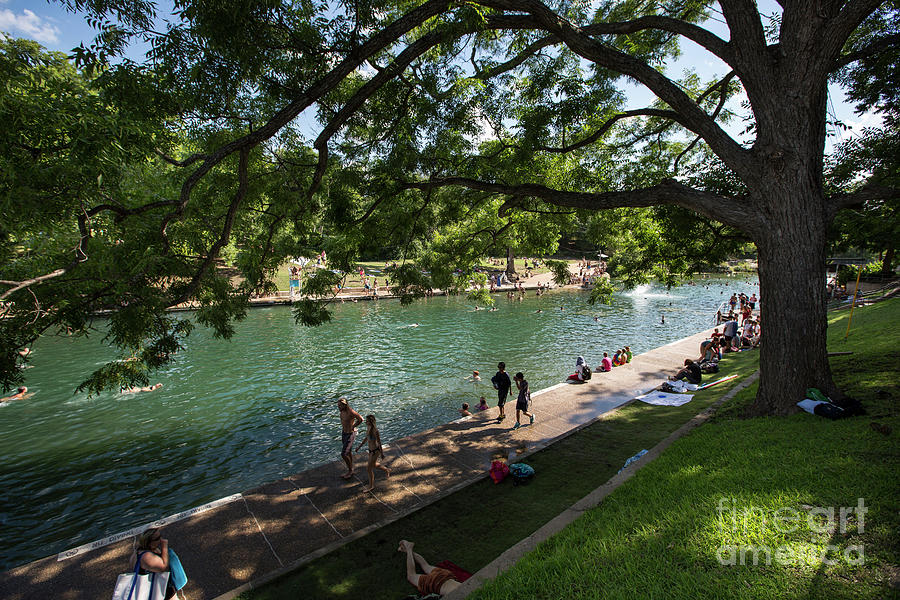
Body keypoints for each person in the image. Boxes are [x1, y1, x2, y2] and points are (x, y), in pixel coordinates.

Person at [134, 528, 177, 599]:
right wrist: (164, 547)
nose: (161, 539)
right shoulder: (147, 556)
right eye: (157, 538)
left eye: (161, 536)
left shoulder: (137, 552)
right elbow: (164, 567)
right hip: (159, 592)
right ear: (149, 542)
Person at [355, 414, 390, 491]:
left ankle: (371, 486)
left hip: (375, 451)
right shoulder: (368, 428)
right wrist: (359, 447)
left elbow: (379, 442)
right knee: (373, 465)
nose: (366, 422)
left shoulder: (375, 431)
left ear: (371, 421)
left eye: (367, 421)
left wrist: (382, 453)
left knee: (368, 468)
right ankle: (386, 469)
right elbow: (366, 438)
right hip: (371, 451)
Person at [338, 397, 363, 479]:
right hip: (344, 433)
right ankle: (351, 468)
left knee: (344, 454)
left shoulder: (350, 412)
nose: (338, 407)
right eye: (338, 405)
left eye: (340, 406)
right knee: (348, 452)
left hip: (350, 434)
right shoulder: (342, 412)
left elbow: (361, 419)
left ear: (345, 405)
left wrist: (354, 426)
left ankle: (350, 471)